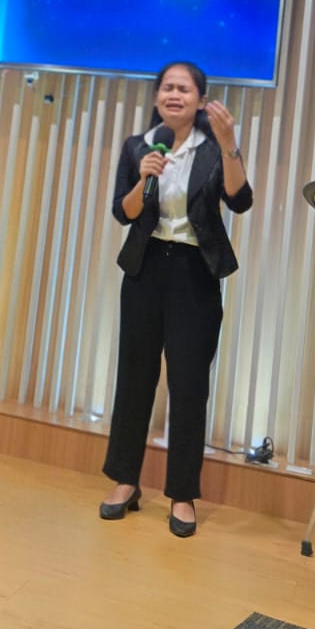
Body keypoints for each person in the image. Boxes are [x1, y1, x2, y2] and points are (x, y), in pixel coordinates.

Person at [97, 61, 252, 538]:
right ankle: (125, 481)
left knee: (188, 386)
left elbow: (240, 200)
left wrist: (230, 143)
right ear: (156, 96)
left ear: (200, 100)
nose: (174, 95)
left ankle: (182, 494)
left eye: (184, 89)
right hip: (145, 270)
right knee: (134, 378)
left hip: (194, 273)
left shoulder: (214, 149)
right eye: (167, 87)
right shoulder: (139, 146)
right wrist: (143, 178)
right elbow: (123, 213)